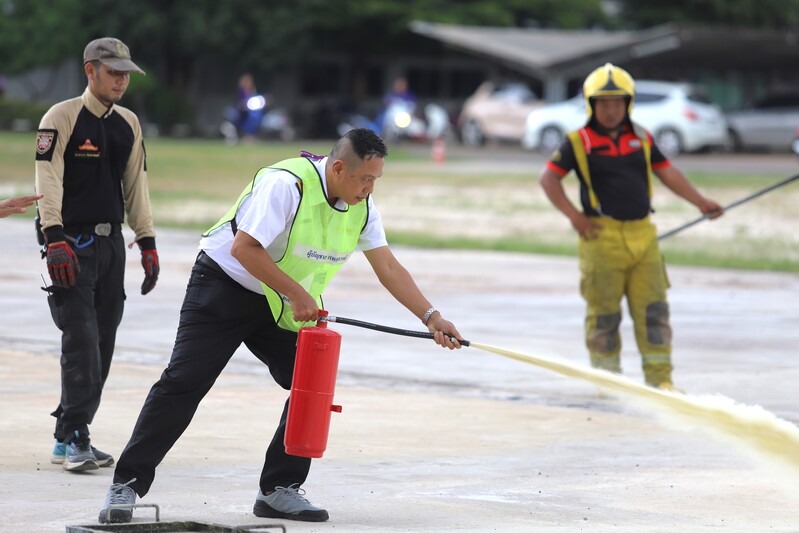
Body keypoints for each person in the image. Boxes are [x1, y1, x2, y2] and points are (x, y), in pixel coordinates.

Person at [97, 128, 463, 524]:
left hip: (285, 302)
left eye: (376, 179)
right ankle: (126, 485)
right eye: (365, 178)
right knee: (184, 383)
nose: (370, 188)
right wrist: (295, 293)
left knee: (313, 387)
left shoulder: (363, 207)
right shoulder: (285, 184)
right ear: (339, 168)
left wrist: (431, 317)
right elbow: (243, 248)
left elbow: (388, 266)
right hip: (225, 286)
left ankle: (279, 488)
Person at [539, 63, 724, 391]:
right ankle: (608, 383)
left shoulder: (641, 137)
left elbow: (668, 172)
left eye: (617, 103)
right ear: (591, 105)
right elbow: (549, 178)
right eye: (603, 103)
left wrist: (701, 201)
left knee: (654, 311)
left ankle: (661, 382)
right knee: (604, 316)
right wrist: (574, 216)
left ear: (629, 103)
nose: (611, 110)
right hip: (601, 240)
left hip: (644, 238)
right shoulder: (577, 141)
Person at [34, 37, 158, 473]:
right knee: (81, 340)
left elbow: (136, 186)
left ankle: (68, 432)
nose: (122, 80)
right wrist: (54, 236)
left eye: (126, 73)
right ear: (91, 71)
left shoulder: (128, 123)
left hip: (110, 247)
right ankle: (75, 435)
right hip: (70, 245)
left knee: (103, 342)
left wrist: (147, 242)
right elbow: (46, 177)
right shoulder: (61, 117)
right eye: (113, 72)